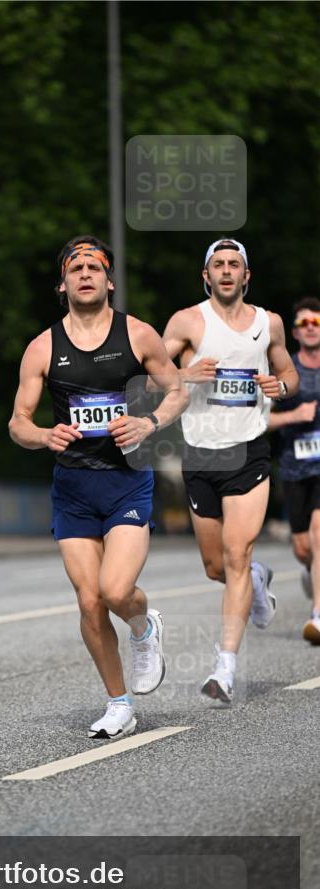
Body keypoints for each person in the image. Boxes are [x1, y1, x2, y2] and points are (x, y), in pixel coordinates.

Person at [9, 235, 188, 739]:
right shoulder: (43, 347)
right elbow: (17, 423)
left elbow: (176, 391)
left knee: (114, 591)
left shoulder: (138, 335)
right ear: (61, 284)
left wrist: (149, 423)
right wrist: (45, 435)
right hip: (73, 488)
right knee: (89, 602)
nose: (84, 273)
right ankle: (118, 703)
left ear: (109, 280)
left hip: (127, 482)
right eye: (75, 268)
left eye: (94, 266)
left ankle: (143, 624)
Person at [162, 238, 299, 701]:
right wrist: (186, 375)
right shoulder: (187, 321)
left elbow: (290, 374)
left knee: (236, 554)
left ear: (246, 276)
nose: (225, 271)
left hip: (248, 451)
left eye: (233, 265)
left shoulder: (269, 323)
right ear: (206, 276)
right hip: (202, 453)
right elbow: (149, 373)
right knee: (216, 565)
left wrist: (279, 385)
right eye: (217, 264)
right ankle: (258, 578)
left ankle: (225, 668)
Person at [268, 297, 320, 644]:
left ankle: (318, 614)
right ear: (295, 332)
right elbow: (259, 420)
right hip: (294, 466)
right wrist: (294, 416)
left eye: (316, 321)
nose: (311, 327)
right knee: (303, 546)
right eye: (304, 323)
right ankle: (309, 568)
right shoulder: (286, 373)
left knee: (319, 531)